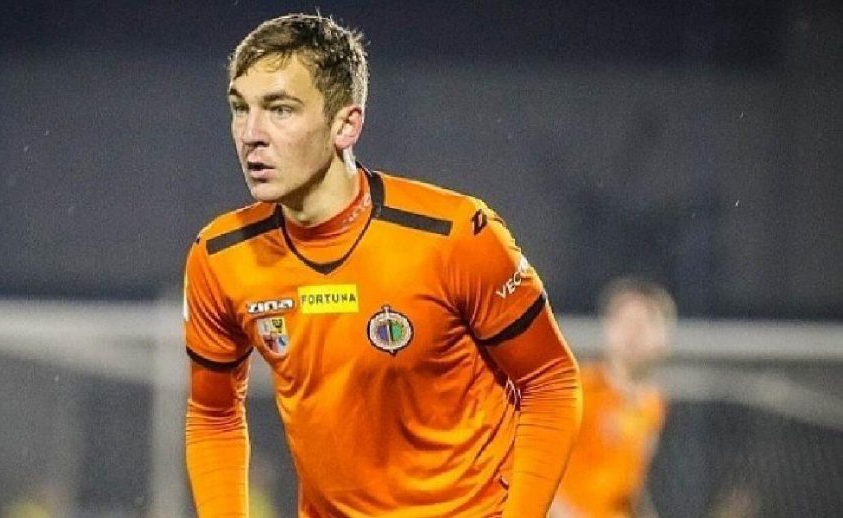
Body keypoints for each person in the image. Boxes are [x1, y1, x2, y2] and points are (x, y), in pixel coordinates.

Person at [183, 13, 582, 517]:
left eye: (280, 109)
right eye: (240, 108)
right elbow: (213, 413)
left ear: (346, 125)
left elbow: (551, 381)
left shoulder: (453, 234)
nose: (251, 133)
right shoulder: (221, 255)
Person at [552, 278, 675, 518]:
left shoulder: (654, 404)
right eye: (624, 322)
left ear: (664, 336)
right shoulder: (577, 392)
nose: (632, 334)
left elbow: (628, 485)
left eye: (643, 324)